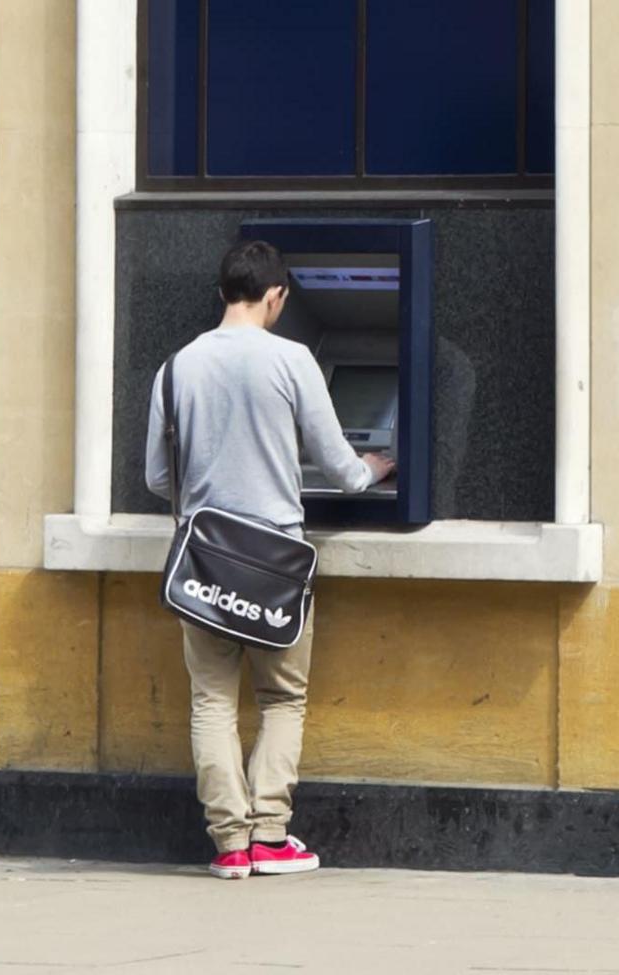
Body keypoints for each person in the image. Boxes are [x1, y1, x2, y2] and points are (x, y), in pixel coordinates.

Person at [144, 239, 391, 882]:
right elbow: (340, 469)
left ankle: (230, 844)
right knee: (282, 698)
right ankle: (271, 834)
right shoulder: (294, 360)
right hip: (275, 562)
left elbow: (154, 477)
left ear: (225, 290)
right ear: (276, 294)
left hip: (204, 563)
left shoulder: (176, 367)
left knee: (211, 703)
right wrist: (372, 468)